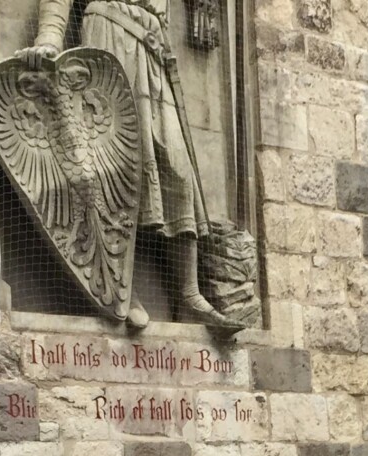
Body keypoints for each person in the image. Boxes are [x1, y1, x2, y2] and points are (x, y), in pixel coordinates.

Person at [17, 0, 235, 328]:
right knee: (113, 163)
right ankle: (121, 288)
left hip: (154, 48)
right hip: (108, 37)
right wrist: (49, 37)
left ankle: (190, 293)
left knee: (178, 167)